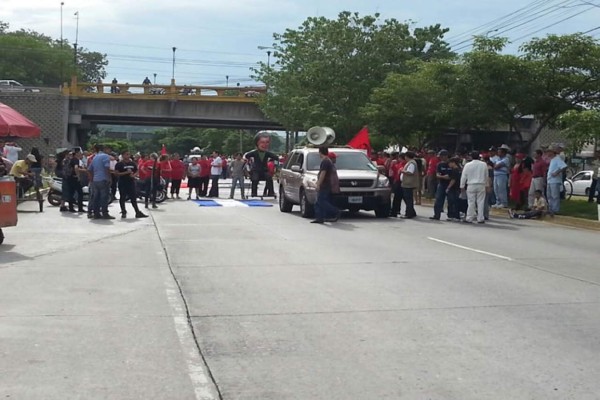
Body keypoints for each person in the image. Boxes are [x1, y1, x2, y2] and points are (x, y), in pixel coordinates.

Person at [244, 132, 279, 198]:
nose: (264, 145)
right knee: (255, 179)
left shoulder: (267, 153)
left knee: (269, 178)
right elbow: (247, 155)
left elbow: (275, 157)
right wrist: (247, 159)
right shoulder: (254, 153)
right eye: (262, 142)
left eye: (267, 142)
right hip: (256, 170)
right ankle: (254, 193)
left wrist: (277, 160)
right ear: (257, 143)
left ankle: (271, 192)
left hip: (264, 170)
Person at [311, 146, 340, 224]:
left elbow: (323, 174)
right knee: (318, 202)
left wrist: (318, 184)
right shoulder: (327, 161)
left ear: (320, 152)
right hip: (325, 184)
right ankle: (319, 218)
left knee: (321, 201)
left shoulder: (325, 161)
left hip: (325, 184)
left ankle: (335, 211)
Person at [114, 150, 147, 219]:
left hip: (131, 182)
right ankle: (123, 212)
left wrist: (134, 175)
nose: (128, 156)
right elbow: (116, 173)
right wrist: (125, 173)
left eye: (128, 154)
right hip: (122, 182)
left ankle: (137, 212)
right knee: (122, 197)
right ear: (122, 155)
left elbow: (137, 170)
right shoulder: (119, 164)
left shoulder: (132, 163)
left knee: (133, 197)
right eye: (126, 154)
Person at [460, 151, 489, 224]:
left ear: (471, 157)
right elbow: (486, 176)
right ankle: (480, 218)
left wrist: (462, 186)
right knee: (481, 202)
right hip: (481, 184)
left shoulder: (467, 165)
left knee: (471, 202)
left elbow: (464, 176)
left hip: (471, 185)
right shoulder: (484, 164)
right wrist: (487, 185)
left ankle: (469, 218)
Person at [87, 144, 115, 219]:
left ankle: (96, 213)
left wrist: (92, 179)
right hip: (103, 179)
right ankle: (105, 213)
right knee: (104, 198)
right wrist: (109, 178)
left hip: (96, 180)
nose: (110, 151)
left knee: (96, 197)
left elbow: (89, 169)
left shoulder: (95, 157)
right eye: (109, 149)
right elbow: (107, 168)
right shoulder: (105, 157)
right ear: (105, 149)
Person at [546, 146, 567, 215]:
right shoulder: (552, 160)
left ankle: (555, 209)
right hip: (550, 180)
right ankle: (550, 208)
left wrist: (556, 172)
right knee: (549, 195)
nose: (547, 153)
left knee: (555, 196)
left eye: (549, 152)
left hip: (555, 180)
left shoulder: (557, 158)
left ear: (552, 152)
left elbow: (564, 166)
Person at [430, 150, 450, 220]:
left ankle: (451, 216)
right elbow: (437, 175)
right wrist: (443, 177)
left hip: (450, 185)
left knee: (451, 200)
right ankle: (436, 215)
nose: (441, 158)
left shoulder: (451, 163)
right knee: (438, 200)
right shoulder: (439, 164)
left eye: (442, 156)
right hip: (441, 184)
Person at [400, 151, 419, 219]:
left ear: (407, 156)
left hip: (408, 184)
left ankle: (408, 213)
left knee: (408, 199)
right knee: (408, 198)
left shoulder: (411, 163)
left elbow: (410, 172)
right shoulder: (410, 162)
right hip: (406, 183)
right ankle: (412, 212)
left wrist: (402, 171)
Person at [446, 157, 462, 222]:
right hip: (458, 187)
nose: (449, 165)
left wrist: (448, 187)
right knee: (456, 202)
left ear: (453, 163)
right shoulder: (459, 169)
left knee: (451, 202)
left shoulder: (454, 170)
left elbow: (453, 180)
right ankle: (456, 215)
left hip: (453, 188)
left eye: (449, 163)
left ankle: (451, 215)